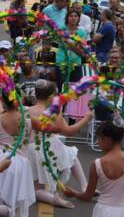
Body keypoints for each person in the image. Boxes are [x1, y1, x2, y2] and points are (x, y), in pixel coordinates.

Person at [27, 79, 92, 208]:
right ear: (52, 95)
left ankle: (52, 198)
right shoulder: (54, 110)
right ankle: (84, 186)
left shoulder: (27, 110)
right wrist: (87, 118)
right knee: (72, 155)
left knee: (36, 189)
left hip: (31, 150)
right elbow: (68, 131)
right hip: (51, 146)